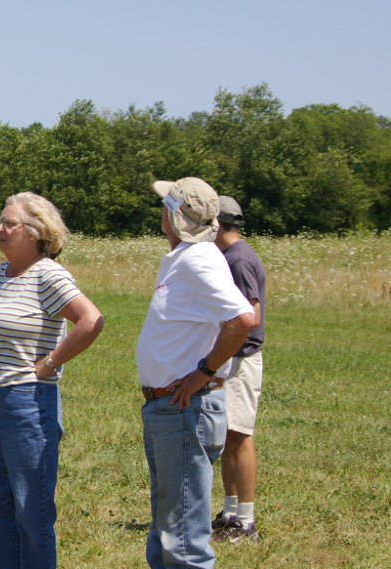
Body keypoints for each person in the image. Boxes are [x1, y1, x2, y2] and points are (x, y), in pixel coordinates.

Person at [0, 192, 104, 569]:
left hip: (27, 403)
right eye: (0, 221)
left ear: (36, 232)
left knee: (31, 507)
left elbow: (91, 320)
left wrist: (51, 362)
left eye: (9, 223)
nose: (0, 228)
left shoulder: (48, 274)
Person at [137, 178, 257, 569]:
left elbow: (242, 318)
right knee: (167, 526)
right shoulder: (184, 257)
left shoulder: (198, 259)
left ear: (173, 215)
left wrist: (202, 373)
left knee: (184, 539)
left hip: (184, 408)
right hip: (168, 409)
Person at [211, 196, 266, 543]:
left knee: (241, 437)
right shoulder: (229, 257)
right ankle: (230, 512)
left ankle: (245, 521)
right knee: (228, 437)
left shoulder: (239, 260)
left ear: (217, 224)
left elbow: (251, 315)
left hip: (242, 360)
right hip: (231, 358)